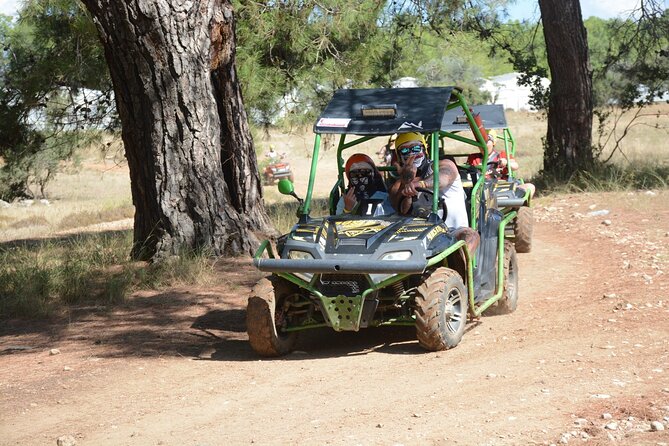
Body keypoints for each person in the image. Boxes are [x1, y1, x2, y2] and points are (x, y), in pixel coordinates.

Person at [389, 132, 479, 253]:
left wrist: (421, 184)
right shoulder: (399, 184)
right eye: (405, 151)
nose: (411, 154)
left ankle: (464, 268)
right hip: (419, 236)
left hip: (453, 231)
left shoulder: (442, 165)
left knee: (470, 235)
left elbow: (444, 176)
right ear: (399, 156)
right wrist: (407, 181)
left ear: (424, 150)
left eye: (416, 148)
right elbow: (400, 210)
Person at [466, 129, 536, 198]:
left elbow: (515, 166)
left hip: (501, 187)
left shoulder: (502, 155)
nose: (483, 145)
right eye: (480, 142)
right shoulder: (474, 158)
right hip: (482, 189)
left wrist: (506, 163)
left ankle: (512, 202)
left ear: (493, 143)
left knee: (530, 187)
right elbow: (467, 174)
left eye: (486, 142)